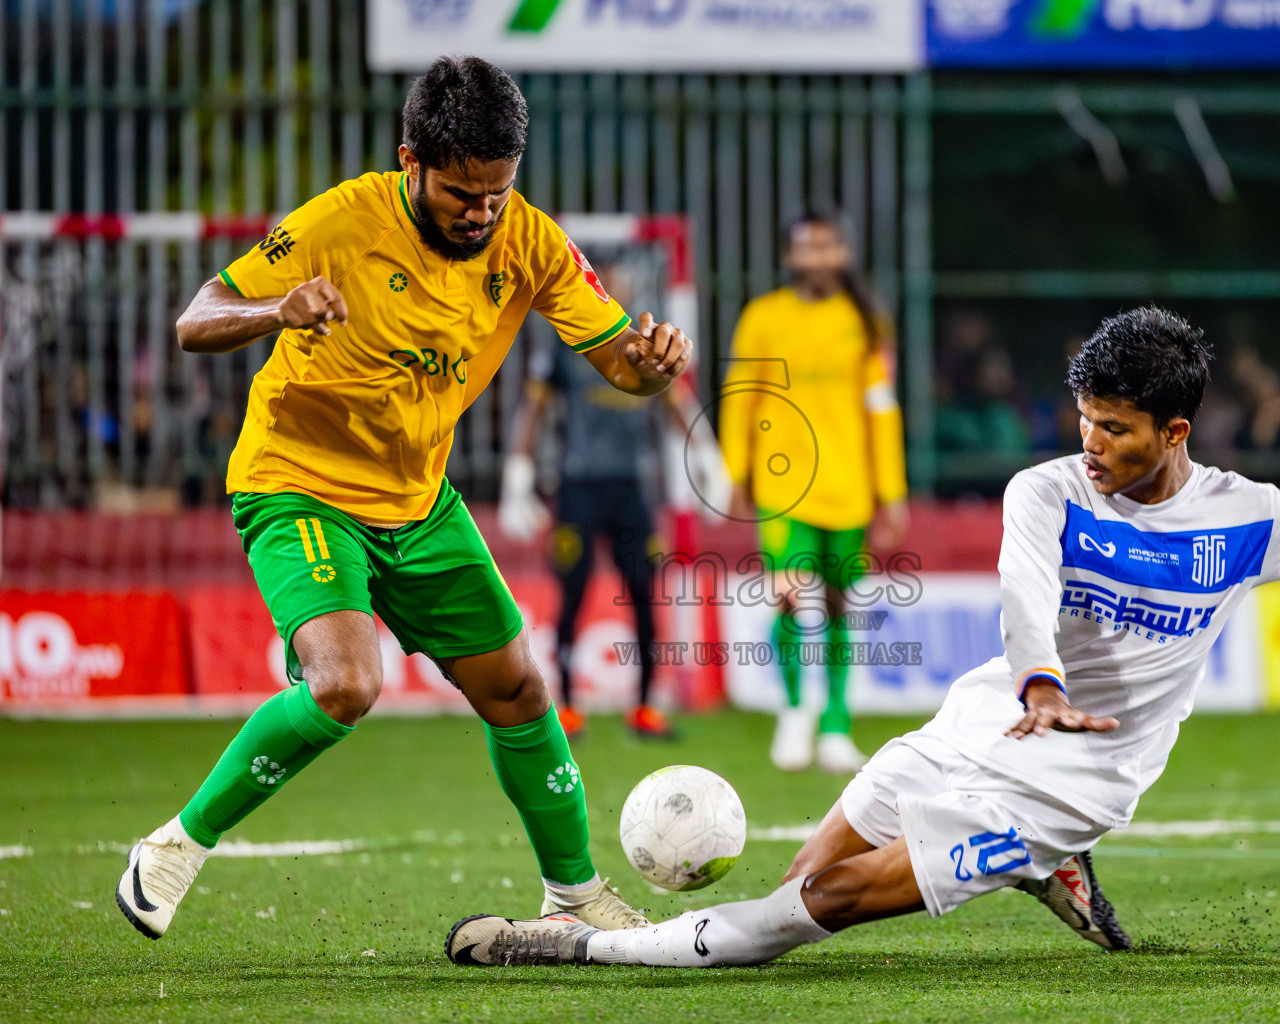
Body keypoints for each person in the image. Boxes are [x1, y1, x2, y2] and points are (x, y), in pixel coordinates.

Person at [443, 306, 1280, 969]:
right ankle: (1048, 875)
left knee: (815, 912)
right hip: (988, 715)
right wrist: (1039, 682)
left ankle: (576, 943)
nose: (1092, 441)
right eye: (1086, 417)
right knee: (800, 879)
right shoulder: (1048, 489)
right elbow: (1022, 589)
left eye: (1116, 426)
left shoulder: (1252, 518)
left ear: (1177, 432)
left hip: (1079, 779)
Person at [115, 57, 689, 941]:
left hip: (418, 503)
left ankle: (573, 898)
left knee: (520, 692)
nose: (482, 212)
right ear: (410, 160)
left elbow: (617, 359)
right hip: (297, 484)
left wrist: (649, 372)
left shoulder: (529, 239)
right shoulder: (341, 219)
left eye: (498, 191)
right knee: (347, 683)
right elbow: (196, 318)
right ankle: (173, 847)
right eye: (464, 193)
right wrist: (277, 309)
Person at [719, 212, 909, 774]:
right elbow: (739, 398)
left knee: (839, 607)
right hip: (783, 487)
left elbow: (881, 409)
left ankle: (835, 724)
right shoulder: (763, 317)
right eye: (808, 247)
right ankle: (796, 712)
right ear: (790, 256)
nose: (819, 257)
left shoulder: (866, 321)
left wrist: (891, 489)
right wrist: (733, 472)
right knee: (788, 595)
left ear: (843, 253)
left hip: (849, 487)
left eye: (829, 246)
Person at [501, 262, 713, 741]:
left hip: (634, 488)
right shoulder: (566, 341)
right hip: (578, 485)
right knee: (572, 593)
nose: (616, 288)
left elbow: (674, 399)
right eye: (609, 279)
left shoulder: (647, 344)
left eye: (624, 280)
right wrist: (520, 471)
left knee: (643, 592)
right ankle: (569, 706)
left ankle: (643, 706)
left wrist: (707, 454)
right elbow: (533, 405)